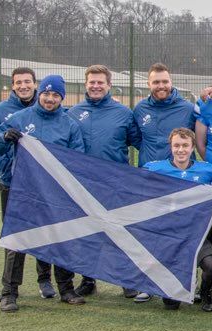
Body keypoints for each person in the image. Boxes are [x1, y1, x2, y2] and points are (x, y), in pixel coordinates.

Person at [0, 75, 86, 312]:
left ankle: (66, 288)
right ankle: (9, 293)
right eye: (46, 93)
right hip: (23, 191)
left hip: (55, 193)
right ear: (39, 93)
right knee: (17, 240)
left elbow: (77, 157)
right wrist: (4, 137)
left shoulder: (69, 124)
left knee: (61, 237)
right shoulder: (20, 118)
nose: (50, 99)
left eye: (55, 95)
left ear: (61, 98)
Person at [0, 67, 55, 300]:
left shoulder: (46, 107)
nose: (23, 86)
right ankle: (10, 287)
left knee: (45, 232)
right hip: (11, 183)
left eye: (27, 81)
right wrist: (4, 165)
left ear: (34, 83)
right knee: (15, 234)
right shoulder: (1, 111)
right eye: (18, 82)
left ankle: (44, 280)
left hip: (43, 185)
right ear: (13, 85)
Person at [67, 64, 139, 298]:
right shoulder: (73, 113)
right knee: (88, 233)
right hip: (84, 184)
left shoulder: (124, 113)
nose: (96, 86)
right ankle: (89, 279)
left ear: (109, 85)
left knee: (120, 231)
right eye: (92, 82)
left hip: (116, 183)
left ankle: (126, 279)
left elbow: (137, 141)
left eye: (100, 82)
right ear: (86, 84)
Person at [142, 128, 212, 311]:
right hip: (168, 235)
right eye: (176, 146)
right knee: (171, 304)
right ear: (171, 147)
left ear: (192, 148)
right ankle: (161, 286)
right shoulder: (155, 168)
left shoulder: (206, 170)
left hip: (196, 234)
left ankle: (204, 293)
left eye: (185, 146)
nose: (180, 150)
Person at [133, 63, 197, 166]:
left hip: (178, 176)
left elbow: (201, 139)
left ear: (171, 82)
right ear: (148, 84)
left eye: (165, 82)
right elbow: (136, 138)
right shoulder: (140, 109)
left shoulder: (188, 109)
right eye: (156, 82)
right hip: (148, 174)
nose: (161, 86)